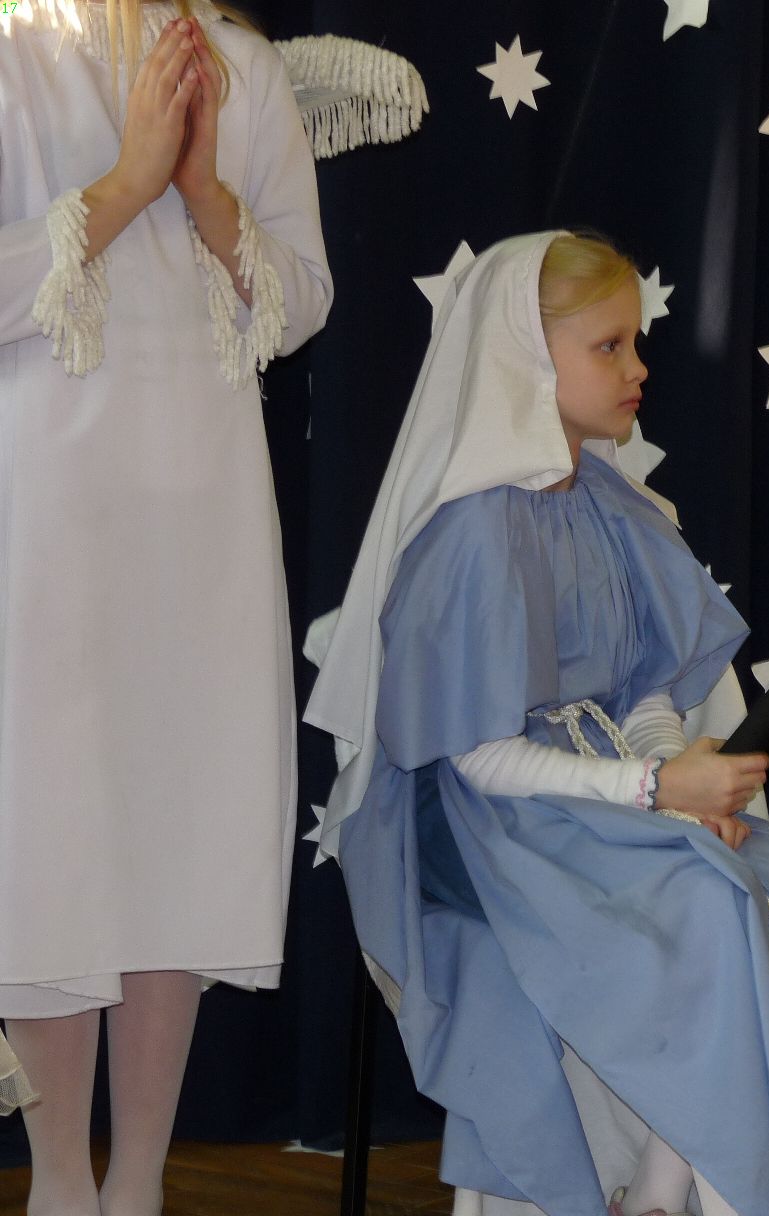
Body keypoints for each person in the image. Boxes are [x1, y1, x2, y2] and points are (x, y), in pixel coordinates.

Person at [304, 231, 769, 1216]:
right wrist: (654, 790)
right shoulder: (474, 532)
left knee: (763, 870)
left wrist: (678, 775)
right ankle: (664, 1195)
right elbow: (478, 756)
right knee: (702, 899)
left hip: (588, 797)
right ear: (527, 355)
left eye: (635, 343)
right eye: (609, 346)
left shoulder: (613, 506)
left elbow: (640, 688)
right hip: (484, 824)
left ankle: (661, 1188)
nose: (638, 368)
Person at [0, 2, 331, 1212]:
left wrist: (202, 190)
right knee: (55, 831)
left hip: (203, 510)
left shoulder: (237, 65)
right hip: (45, 511)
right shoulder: (10, 51)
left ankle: (136, 1180)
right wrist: (128, 184)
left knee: (173, 826)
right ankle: (58, 1183)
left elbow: (303, 299)